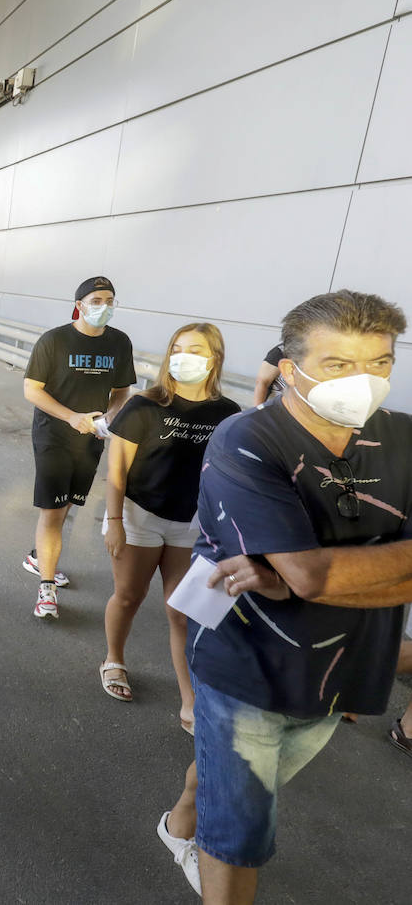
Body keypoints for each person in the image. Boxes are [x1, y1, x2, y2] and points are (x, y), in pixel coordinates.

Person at [158, 290, 411, 903]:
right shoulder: (246, 439)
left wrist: (302, 574)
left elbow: (301, 578)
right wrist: (318, 575)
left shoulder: (402, 437)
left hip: (344, 666)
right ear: (290, 371)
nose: (363, 380)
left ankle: (180, 819)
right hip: (248, 661)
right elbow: (310, 578)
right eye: (337, 364)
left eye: (380, 362)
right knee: (242, 827)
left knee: (249, 781)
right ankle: (207, 835)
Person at [99, 324, 239, 728]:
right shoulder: (144, 404)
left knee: (181, 611)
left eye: (194, 349)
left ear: (214, 358)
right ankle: (113, 659)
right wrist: (114, 522)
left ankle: (190, 698)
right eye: (176, 348)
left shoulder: (228, 414)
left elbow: (227, 474)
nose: (182, 356)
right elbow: (117, 470)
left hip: (189, 523)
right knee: (128, 596)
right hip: (137, 516)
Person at [22, 276, 135, 617]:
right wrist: (71, 417)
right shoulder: (54, 341)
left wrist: (110, 418)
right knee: (53, 512)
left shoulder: (119, 343)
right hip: (54, 436)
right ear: (80, 304)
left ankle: (40, 555)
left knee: (67, 505)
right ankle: (46, 587)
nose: (104, 307)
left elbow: (120, 392)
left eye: (110, 301)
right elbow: (32, 389)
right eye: (97, 300)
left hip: (91, 440)